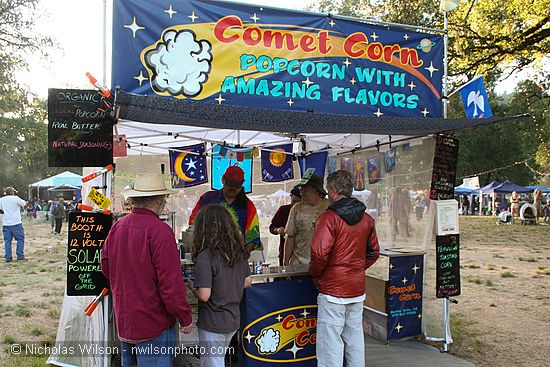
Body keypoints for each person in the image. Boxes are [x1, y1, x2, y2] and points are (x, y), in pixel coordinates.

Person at [101, 173, 193, 367]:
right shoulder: (159, 231)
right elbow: (170, 284)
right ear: (159, 200)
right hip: (153, 322)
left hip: (126, 319)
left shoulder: (118, 227)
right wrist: (184, 317)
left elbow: (106, 267)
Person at [309, 170, 380, 367]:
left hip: (332, 291)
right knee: (355, 340)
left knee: (330, 344)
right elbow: (374, 252)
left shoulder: (329, 218)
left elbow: (318, 253)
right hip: (356, 289)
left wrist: (318, 275)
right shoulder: (367, 219)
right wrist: (355, 269)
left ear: (333, 190)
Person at [186, 205, 252, 367]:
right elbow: (248, 281)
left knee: (213, 362)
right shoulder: (239, 253)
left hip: (213, 321)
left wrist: (191, 286)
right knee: (218, 360)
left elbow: (204, 295)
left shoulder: (206, 257)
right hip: (232, 319)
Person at [189, 166, 261, 252]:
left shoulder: (248, 205)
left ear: (241, 185)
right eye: (230, 183)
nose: (233, 188)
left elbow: (253, 236)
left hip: (237, 254)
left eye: (236, 185)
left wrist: (244, 255)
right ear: (223, 180)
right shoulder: (207, 198)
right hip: (208, 253)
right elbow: (193, 223)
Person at [283, 173, 329, 265]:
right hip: (299, 263)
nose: (301, 192)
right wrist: (286, 262)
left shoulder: (329, 207)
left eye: (305, 189)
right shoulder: (297, 208)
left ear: (316, 191)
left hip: (324, 264)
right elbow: (290, 236)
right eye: (301, 189)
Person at [269, 187, 302, 266]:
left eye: (298, 202)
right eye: (293, 201)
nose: (295, 205)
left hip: (301, 252)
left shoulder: (307, 213)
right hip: (285, 251)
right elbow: (272, 227)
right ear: (291, 197)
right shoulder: (283, 210)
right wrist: (277, 230)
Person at [0, 186, 27, 262]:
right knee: (20, 239)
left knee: (7, 241)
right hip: (16, 222)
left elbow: (1, 209)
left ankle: (8, 257)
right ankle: (20, 255)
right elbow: (23, 203)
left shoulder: (2, 199)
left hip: (6, 223)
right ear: (12, 192)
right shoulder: (15, 198)